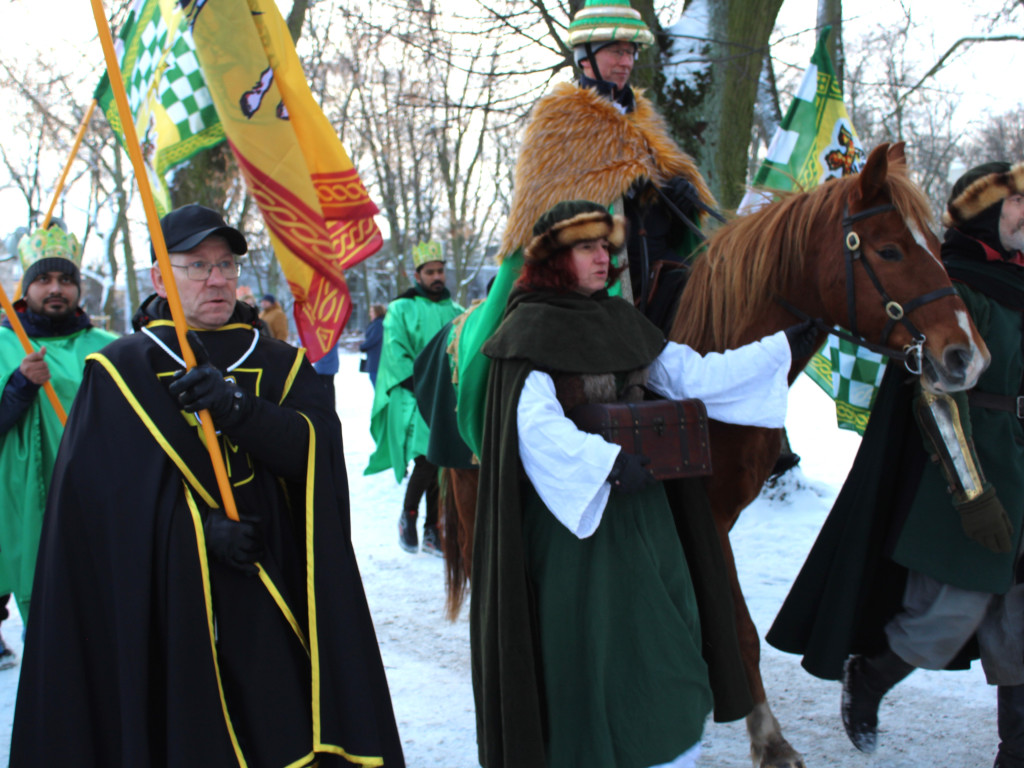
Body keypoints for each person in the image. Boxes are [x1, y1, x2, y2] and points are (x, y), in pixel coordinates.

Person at [10, 204, 404, 767]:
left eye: (226, 265)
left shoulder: (281, 365)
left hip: (274, 590)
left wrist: (238, 408)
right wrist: (196, 531)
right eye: (196, 266)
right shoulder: (120, 371)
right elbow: (99, 514)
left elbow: (313, 458)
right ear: (160, 279)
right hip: (168, 613)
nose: (216, 279)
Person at [471, 200, 820, 768]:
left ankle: (667, 749)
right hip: (577, 530)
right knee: (595, 653)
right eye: (587, 247)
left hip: (647, 518)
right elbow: (534, 426)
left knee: (668, 641)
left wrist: (781, 350)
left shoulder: (621, 320)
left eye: (605, 246)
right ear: (555, 259)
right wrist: (605, 464)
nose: (602, 258)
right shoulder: (528, 329)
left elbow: (693, 375)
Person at [766, 162, 1024, 768]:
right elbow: (936, 396)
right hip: (965, 471)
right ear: (986, 212)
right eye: (1017, 203)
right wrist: (973, 495)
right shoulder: (953, 285)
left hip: (1020, 463)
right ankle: (873, 676)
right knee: (950, 610)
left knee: (1020, 620)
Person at [451, 0, 717, 465]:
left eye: (631, 50)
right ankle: (509, 441)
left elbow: (664, 208)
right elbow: (548, 215)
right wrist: (613, 193)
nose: (626, 61)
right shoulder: (559, 120)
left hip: (654, 271)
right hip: (588, 278)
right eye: (615, 49)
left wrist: (677, 197)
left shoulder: (643, 120)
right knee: (511, 349)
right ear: (584, 55)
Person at [0, 224, 117, 642]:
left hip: (94, 504)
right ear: (24, 286)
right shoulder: (2, 344)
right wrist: (18, 386)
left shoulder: (109, 346)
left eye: (66, 280)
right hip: (22, 509)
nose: (56, 289)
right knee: (47, 631)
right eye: (44, 279)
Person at [365, 241, 462, 556]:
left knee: (442, 463)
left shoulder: (457, 312)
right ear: (416, 274)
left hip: (447, 398)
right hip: (415, 397)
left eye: (440, 271)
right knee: (426, 459)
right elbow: (395, 351)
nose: (437, 277)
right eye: (430, 271)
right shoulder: (400, 308)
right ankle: (409, 517)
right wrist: (421, 386)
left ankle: (433, 529)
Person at [359, 303, 386, 386]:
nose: (369, 314)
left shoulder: (378, 324)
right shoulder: (378, 323)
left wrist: (363, 346)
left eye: (371, 311)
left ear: (377, 312)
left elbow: (373, 339)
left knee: (376, 381)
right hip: (375, 358)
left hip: (376, 360)